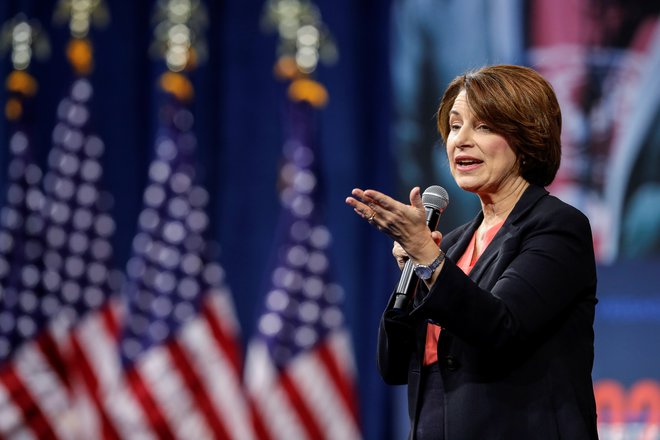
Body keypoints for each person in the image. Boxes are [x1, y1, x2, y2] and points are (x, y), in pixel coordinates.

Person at [345, 64, 598, 439]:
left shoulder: (557, 227)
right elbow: (394, 365)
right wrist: (416, 268)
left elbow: (501, 328)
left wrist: (429, 261)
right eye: (455, 125)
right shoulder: (451, 243)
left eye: (483, 126)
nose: (460, 140)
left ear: (528, 139)